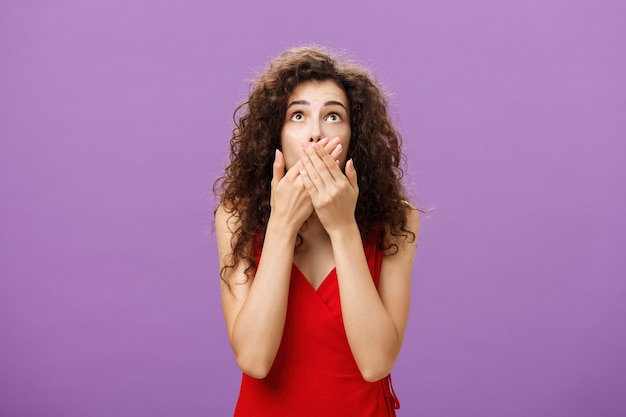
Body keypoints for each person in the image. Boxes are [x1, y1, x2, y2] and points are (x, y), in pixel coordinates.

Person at [213, 45, 420, 417]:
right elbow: (254, 359)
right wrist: (281, 225)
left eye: (333, 116)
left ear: (354, 135)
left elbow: (376, 364)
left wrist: (343, 228)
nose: (315, 133)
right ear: (275, 135)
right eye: (297, 116)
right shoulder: (235, 216)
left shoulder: (396, 222)